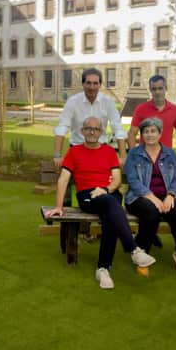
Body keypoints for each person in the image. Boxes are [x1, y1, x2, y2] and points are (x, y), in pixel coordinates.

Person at [45, 117, 156, 289]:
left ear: (101, 132)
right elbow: (63, 179)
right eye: (88, 128)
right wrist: (59, 207)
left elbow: (117, 180)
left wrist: (105, 189)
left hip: (108, 193)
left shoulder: (109, 152)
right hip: (87, 196)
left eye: (96, 129)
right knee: (112, 208)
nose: (92, 132)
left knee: (111, 217)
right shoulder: (74, 152)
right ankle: (133, 250)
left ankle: (103, 269)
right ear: (82, 131)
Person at [125, 118, 176, 277]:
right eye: (146, 131)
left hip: (166, 196)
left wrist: (171, 195)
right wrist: (151, 197)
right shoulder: (134, 153)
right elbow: (133, 180)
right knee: (151, 213)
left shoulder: (170, 153)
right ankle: (142, 255)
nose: (149, 134)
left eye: (153, 131)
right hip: (139, 197)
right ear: (142, 135)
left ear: (160, 134)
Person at [53, 68, 127, 169]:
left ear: (100, 85)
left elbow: (118, 128)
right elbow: (62, 127)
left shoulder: (108, 102)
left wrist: (123, 157)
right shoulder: (73, 101)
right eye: (88, 83)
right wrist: (57, 155)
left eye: (95, 83)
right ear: (83, 84)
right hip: (77, 149)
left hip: (101, 149)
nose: (92, 87)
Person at [127, 75, 176, 163]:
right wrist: (133, 154)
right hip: (145, 158)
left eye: (160, 88)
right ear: (150, 90)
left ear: (166, 88)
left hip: (166, 158)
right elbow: (132, 133)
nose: (157, 92)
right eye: (154, 89)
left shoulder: (175, 110)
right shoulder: (141, 109)